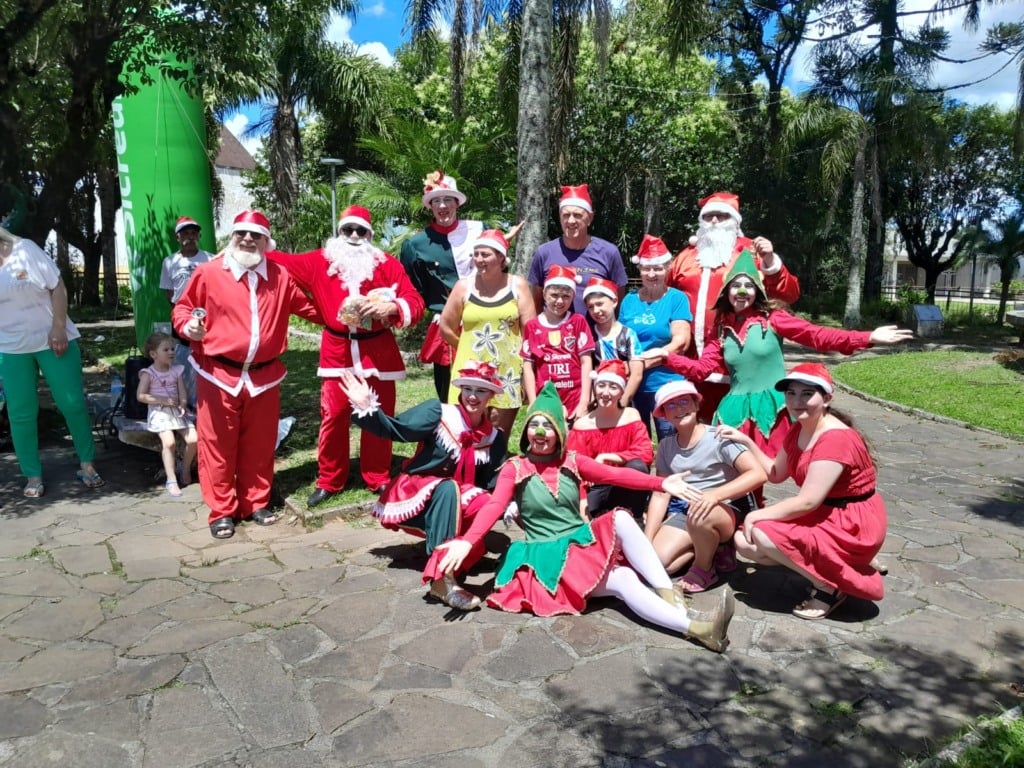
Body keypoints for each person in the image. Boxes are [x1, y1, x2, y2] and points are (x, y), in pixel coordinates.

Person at [431, 381, 736, 653]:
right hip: (547, 557)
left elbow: (617, 475)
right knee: (625, 579)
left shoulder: (573, 461)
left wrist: (662, 483)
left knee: (620, 519)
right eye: (534, 425)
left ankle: (671, 598)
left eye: (548, 425)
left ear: (559, 432)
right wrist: (468, 541)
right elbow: (495, 505)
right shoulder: (515, 468)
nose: (540, 432)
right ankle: (699, 628)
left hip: (581, 545)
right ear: (525, 431)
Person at [655, 251, 913, 457]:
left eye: (748, 285)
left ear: (757, 291)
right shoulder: (722, 329)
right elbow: (701, 369)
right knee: (735, 474)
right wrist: (666, 357)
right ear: (726, 292)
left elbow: (817, 336)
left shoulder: (774, 319)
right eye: (736, 286)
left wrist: (867, 337)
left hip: (773, 408)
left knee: (784, 468)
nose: (742, 291)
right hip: (734, 411)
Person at [172, 210, 323, 539]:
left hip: (264, 377)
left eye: (256, 235)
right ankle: (222, 510)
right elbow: (182, 308)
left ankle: (256, 502)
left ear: (267, 242)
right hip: (217, 373)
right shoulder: (209, 272)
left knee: (260, 443)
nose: (248, 239)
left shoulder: (280, 276)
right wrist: (188, 326)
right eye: (242, 233)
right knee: (217, 445)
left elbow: (312, 309)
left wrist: (348, 313)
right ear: (233, 237)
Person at [269, 205, 425, 506]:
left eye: (360, 230)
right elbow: (279, 260)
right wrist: (253, 242)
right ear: (339, 232)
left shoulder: (387, 264)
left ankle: (377, 476)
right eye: (348, 230)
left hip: (378, 352)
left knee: (378, 414)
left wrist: (392, 308)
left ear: (370, 235)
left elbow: (414, 301)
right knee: (334, 416)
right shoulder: (319, 261)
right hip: (337, 353)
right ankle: (330, 479)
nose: (354, 235)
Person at [718, 363, 888, 620]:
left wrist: (755, 515)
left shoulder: (835, 439)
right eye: (791, 393)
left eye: (807, 394)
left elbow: (808, 501)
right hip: (826, 511)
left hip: (852, 522)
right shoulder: (799, 428)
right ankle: (840, 566)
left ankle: (828, 588)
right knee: (745, 543)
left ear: (827, 398)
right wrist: (746, 441)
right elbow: (776, 473)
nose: (797, 402)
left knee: (761, 532)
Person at [339, 361, 509, 611]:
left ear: (491, 395)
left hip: (456, 500)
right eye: (468, 389)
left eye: (481, 391)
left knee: (486, 501)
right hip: (418, 495)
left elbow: (492, 485)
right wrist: (368, 407)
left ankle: (460, 554)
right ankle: (442, 580)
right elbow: (398, 430)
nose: (472, 396)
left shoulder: (494, 437)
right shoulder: (439, 413)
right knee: (448, 488)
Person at [665, 192, 801, 421]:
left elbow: (789, 294)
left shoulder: (752, 252)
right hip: (694, 363)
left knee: (740, 426)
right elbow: (668, 300)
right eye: (709, 216)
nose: (714, 221)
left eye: (722, 215)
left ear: (735, 221)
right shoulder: (685, 257)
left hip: (742, 363)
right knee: (699, 428)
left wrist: (770, 261)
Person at [0, 226, 102, 497]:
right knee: (20, 413)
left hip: (52, 340)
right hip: (11, 348)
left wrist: (58, 327)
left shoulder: (25, 249)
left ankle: (87, 463)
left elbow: (57, 287)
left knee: (72, 403)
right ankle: (32, 475)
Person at [644, 380, 766, 593]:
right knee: (659, 562)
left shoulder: (718, 437)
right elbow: (661, 494)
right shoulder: (666, 446)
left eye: (684, 401)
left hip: (726, 508)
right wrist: (646, 540)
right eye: (670, 405)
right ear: (663, 414)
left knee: (701, 512)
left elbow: (757, 474)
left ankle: (704, 567)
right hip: (689, 511)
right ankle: (712, 548)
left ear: (696, 404)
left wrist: (715, 496)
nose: (679, 408)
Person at [439, 229, 535, 435]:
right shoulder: (463, 287)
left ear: (501, 257)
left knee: (498, 435)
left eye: (485, 254)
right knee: (465, 431)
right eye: (476, 254)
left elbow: (531, 332)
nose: (479, 259)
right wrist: (466, 348)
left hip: (507, 370)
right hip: (469, 370)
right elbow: (446, 327)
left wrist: (528, 373)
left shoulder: (518, 285)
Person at [400, 170, 485, 401]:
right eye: (436, 201)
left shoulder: (478, 231)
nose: (443, 206)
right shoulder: (416, 244)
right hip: (446, 323)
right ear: (430, 206)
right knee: (448, 391)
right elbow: (413, 287)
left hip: (481, 318)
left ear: (457, 203)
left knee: (484, 383)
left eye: (448, 199)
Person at [618, 235, 692, 439]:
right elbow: (621, 341)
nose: (652, 274)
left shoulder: (677, 298)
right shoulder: (629, 301)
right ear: (639, 270)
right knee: (637, 440)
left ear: (667, 268)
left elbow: (680, 342)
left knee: (670, 441)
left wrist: (640, 363)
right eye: (647, 269)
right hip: (634, 386)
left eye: (658, 268)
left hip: (667, 383)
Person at [566, 359, 653, 521]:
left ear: (621, 391)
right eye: (601, 385)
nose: (605, 393)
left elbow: (645, 453)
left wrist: (607, 456)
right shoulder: (582, 425)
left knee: (637, 466)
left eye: (613, 387)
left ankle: (636, 517)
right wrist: (583, 501)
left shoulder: (631, 416)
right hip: (596, 487)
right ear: (595, 387)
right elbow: (573, 468)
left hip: (625, 482)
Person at [528, 184, 628, 316]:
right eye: (566, 215)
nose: (571, 221)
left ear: (590, 218)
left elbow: (619, 302)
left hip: (596, 329)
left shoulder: (609, 252)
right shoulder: (544, 252)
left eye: (577, 215)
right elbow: (536, 302)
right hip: (554, 329)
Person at [520, 264, 596, 422]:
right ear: (544, 293)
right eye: (554, 295)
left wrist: (584, 401)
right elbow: (528, 366)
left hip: (574, 398)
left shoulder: (578, 322)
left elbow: (586, 362)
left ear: (573, 296)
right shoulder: (532, 326)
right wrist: (533, 401)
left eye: (566, 296)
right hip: (545, 399)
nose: (560, 301)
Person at [159, 216, 212, 409]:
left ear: (199, 236)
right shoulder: (169, 262)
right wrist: (180, 311)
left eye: (193, 233)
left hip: (207, 318)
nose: (190, 237)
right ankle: (184, 399)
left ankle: (206, 399)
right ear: (178, 237)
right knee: (181, 356)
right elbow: (168, 291)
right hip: (182, 317)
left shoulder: (210, 259)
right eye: (185, 233)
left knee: (207, 355)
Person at [135, 331, 197, 497]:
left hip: (176, 410)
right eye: (166, 349)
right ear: (153, 354)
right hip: (160, 412)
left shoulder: (176, 370)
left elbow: (181, 392)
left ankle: (184, 467)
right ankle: (171, 479)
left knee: (193, 439)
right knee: (169, 443)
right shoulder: (148, 374)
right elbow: (141, 396)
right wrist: (161, 400)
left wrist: (183, 404)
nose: (171, 352)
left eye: (172, 349)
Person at [583, 276, 643, 407]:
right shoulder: (588, 335)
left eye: (600, 304)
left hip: (622, 400)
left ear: (614, 301)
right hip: (597, 401)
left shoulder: (628, 334)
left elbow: (637, 374)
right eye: (590, 307)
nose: (596, 311)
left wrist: (622, 403)